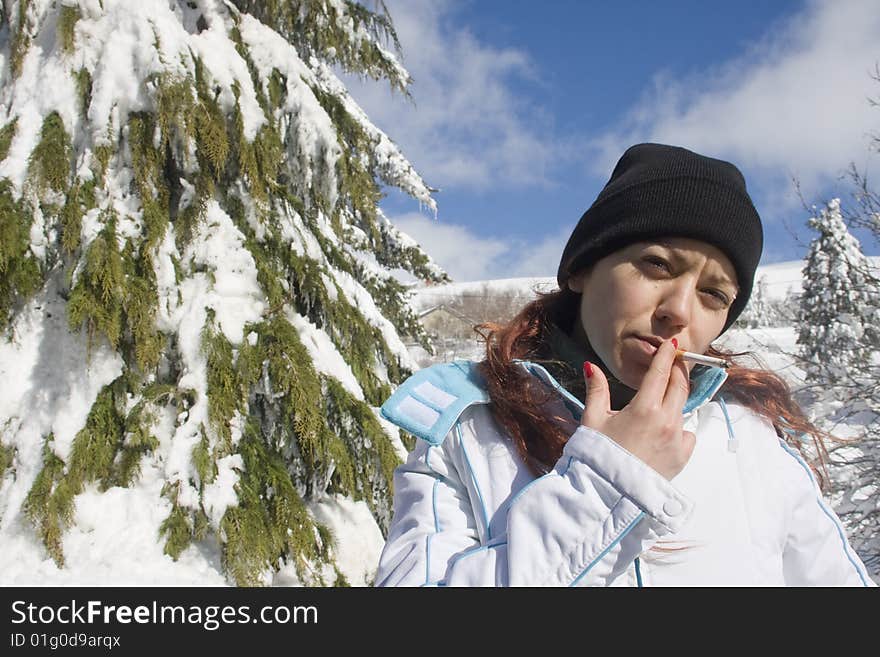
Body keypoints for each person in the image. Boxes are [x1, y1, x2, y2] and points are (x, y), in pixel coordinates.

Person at [374, 142, 875, 587]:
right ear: (583, 269)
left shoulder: (751, 441)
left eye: (713, 294)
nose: (679, 310)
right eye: (657, 264)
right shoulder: (468, 429)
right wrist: (606, 482)